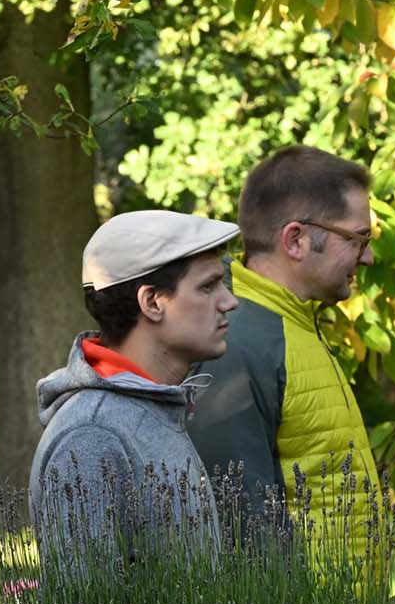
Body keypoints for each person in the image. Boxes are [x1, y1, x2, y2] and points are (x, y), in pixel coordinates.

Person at [186, 145, 388, 569]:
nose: (368, 257)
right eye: (358, 238)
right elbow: (241, 527)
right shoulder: (237, 341)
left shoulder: (293, 326)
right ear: (296, 240)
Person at [30, 210, 241, 574]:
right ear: (153, 303)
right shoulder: (93, 435)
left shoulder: (152, 407)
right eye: (208, 287)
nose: (229, 302)